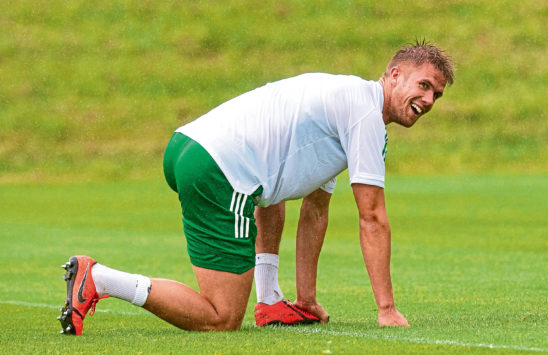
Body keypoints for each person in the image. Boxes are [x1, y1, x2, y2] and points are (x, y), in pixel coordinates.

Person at [58, 40, 454, 335]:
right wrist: (386, 309)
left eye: (436, 93)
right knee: (222, 317)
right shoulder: (366, 114)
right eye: (423, 85)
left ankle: (270, 301)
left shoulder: (348, 101)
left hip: (187, 146)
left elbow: (316, 208)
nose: (429, 99)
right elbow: (372, 218)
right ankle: (100, 278)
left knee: (274, 192)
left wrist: (307, 300)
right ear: (394, 74)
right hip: (217, 168)